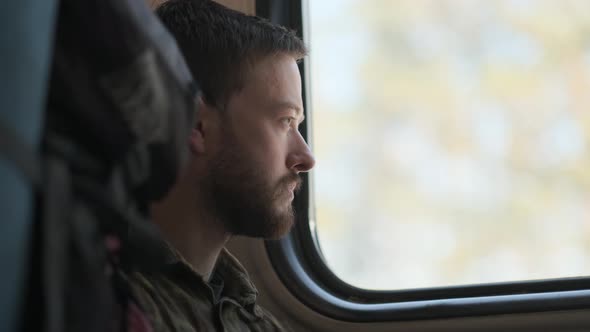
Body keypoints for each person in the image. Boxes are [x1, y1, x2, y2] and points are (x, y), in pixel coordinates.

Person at [123, 0, 315, 331]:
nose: (306, 157)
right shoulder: (110, 300)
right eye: (285, 121)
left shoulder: (256, 322)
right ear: (197, 126)